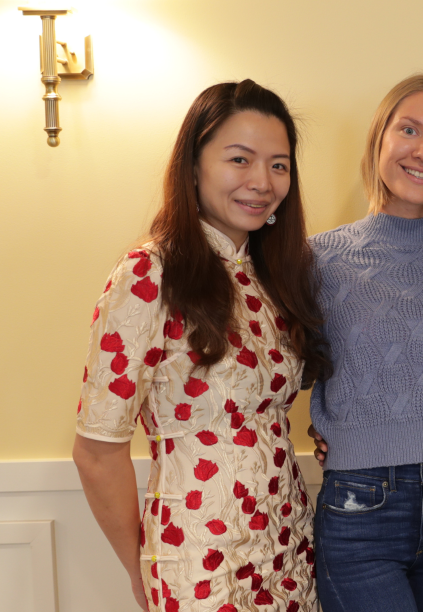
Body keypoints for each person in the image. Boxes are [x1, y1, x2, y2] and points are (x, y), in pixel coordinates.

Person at [73, 80, 329, 612]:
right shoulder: (149, 274)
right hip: (199, 557)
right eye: (240, 159)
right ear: (193, 166)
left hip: (287, 544)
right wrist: (143, 567)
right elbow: (97, 451)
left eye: (279, 165)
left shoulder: (271, 273)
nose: (262, 181)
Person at [306, 74, 423, 612]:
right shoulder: (319, 259)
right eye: (409, 129)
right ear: (379, 141)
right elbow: (279, 370)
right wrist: (325, 422)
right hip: (359, 505)